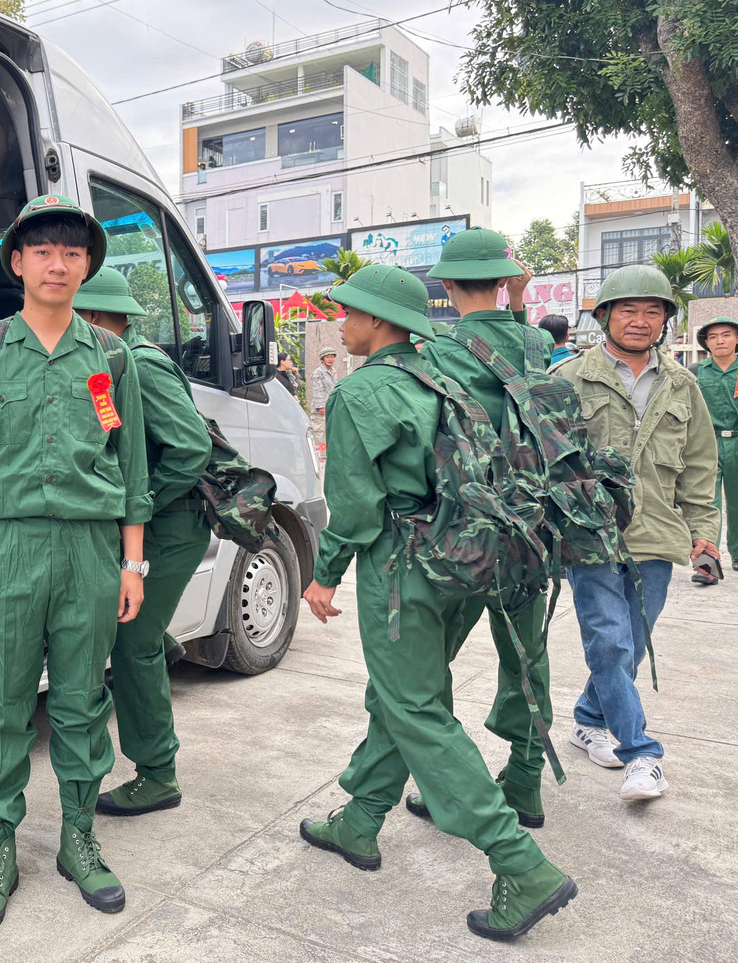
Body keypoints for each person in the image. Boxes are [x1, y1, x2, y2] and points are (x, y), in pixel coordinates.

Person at [299, 264, 575, 941]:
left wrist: (323, 573)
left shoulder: (360, 393)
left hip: (395, 566)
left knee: (415, 707)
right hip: (457, 556)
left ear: (377, 322)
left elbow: (357, 509)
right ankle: (361, 818)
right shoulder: (439, 378)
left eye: (350, 312)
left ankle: (519, 861)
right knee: (403, 694)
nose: (343, 322)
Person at [0, 195, 151, 935]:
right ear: (17, 261)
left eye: (72, 251)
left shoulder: (114, 358)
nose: (58, 263)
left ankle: (79, 840)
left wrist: (133, 564)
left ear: (87, 264)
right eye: (43, 250)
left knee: (84, 703)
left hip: (91, 552)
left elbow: (132, 468)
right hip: (8, 550)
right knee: (0, 706)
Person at [554, 265, 720, 800]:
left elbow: (698, 465)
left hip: (655, 531)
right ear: (603, 315)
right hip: (590, 533)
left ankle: (585, 719)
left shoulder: (682, 384)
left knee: (633, 641)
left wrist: (704, 531)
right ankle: (641, 754)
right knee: (608, 636)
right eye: (628, 309)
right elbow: (546, 460)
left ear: (666, 322)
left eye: (653, 311)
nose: (640, 321)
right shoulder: (568, 379)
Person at [410, 228, 552, 829]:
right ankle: (525, 782)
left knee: (426, 661)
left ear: (445, 285)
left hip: (462, 529)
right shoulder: (538, 342)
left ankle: (448, 785)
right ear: (504, 279)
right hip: (531, 525)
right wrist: (517, 302)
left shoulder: (438, 349)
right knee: (527, 656)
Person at [71, 267, 213, 819]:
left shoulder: (141, 365)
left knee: (132, 645)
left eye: (80, 316)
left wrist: (140, 501)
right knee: (137, 634)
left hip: (169, 526)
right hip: (154, 523)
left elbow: (190, 448)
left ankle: (158, 775)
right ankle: (163, 648)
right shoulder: (109, 365)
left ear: (99, 317)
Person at [694, 317, 738, 577]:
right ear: (706, 343)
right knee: (707, 505)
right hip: (706, 444)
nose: (719, 341)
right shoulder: (695, 372)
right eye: (713, 337)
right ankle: (706, 564)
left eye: (726, 335)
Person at [309, 347, 337, 453]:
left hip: (331, 406)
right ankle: (319, 456)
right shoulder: (318, 372)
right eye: (327, 357)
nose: (330, 359)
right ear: (322, 359)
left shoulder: (333, 371)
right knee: (319, 431)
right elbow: (318, 390)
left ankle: (326, 454)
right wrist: (321, 406)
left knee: (329, 432)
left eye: (332, 357)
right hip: (320, 408)